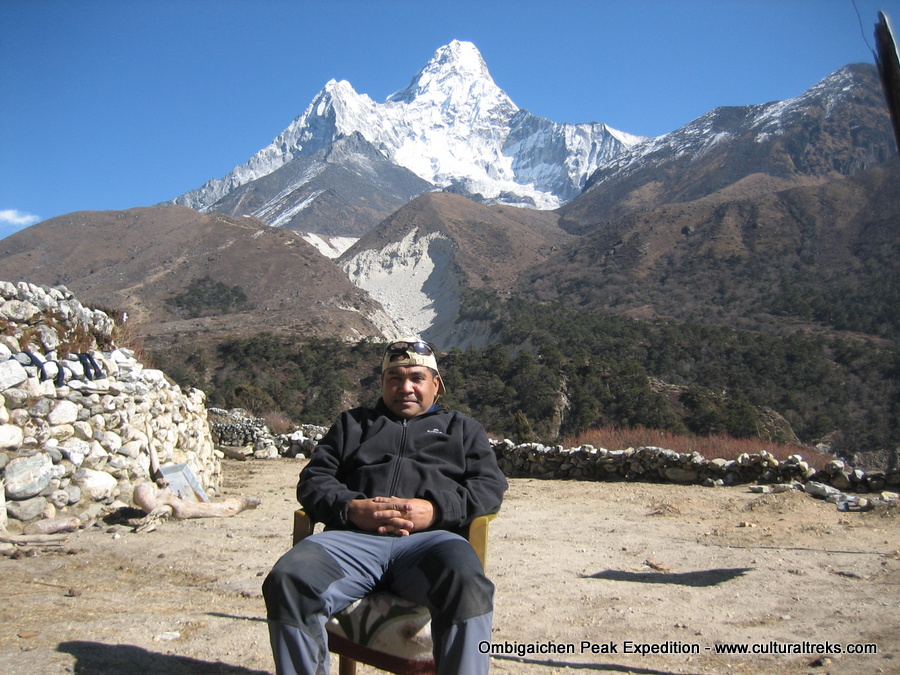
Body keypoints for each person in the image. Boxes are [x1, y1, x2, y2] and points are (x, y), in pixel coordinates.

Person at [263, 339, 508, 675]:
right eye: (394, 378)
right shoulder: (353, 424)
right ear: (382, 384)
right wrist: (351, 507)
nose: (405, 387)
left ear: (435, 385)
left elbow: (489, 487)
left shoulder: (462, 429)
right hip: (352, 541)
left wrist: (435, 511)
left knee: (468, 584)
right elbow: (313, 480)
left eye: (416, 378)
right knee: (288, 579)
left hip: (431, 544)